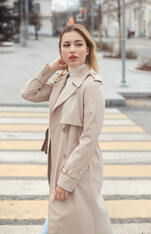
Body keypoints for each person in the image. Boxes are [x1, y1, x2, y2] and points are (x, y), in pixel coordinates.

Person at [21, 24, 113, 234]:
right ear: (60, 51)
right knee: (63, 223)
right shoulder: (62, 80)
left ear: (88, 49)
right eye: (67, 45)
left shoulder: (91, 85)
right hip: (59, 166)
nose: (72, 49)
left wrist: (67, 179)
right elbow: (29, 93)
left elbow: (90, 138)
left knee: (79, 224)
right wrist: (51, 68)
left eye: (78, 44)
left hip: (78, 171)